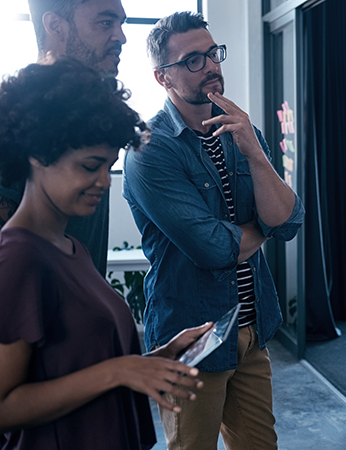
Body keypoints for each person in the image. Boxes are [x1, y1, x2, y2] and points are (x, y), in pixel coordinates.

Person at [0, 59, 212, 450]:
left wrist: (158, 357)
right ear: (37, 155)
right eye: (90, 167)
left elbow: (77, 361)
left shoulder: (71, 248)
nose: (103, 182)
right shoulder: (18, 258)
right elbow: (4, 405)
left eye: (109, 166)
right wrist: (119, 370)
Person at [122, 11, 305, 450]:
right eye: (192, 61)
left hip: (253, 326)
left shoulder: (242, 130)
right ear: (162, 77)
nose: (209, 66)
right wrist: (265, 225)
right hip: (192, 336)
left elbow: (291, 222)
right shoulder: (150, 148)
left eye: (212, 54)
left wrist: (255, 154)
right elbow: (212, 248)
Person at [0, 0, 129, 276]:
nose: (121, 37)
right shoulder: (13, 119)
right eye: (106, 22)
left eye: (121, 23)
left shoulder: (97, 116)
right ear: (55, 26)